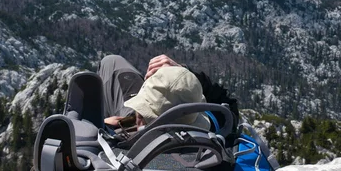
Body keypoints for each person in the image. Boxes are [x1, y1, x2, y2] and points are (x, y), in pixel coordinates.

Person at [97, 54, 238, 130]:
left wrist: (101, 125)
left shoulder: (128, 139)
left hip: (125, 137)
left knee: (111, 62)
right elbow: (230, 110)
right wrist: (183, 75)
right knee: (112, 61)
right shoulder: (211, 130)